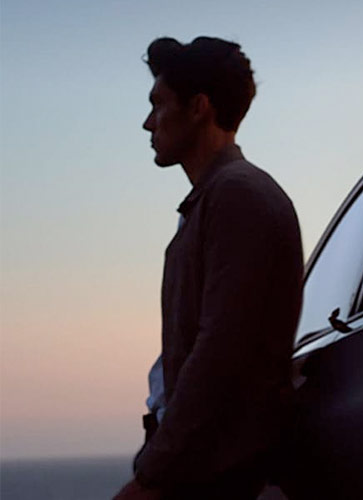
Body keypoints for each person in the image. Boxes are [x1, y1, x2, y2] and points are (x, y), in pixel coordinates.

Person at [114, 36, 303, 499]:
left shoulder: (236, 196)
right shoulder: (215, 200)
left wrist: (152, 475)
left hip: (215, 475)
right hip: (201, 466)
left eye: (158, 104)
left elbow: (220, 353)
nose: (147, 122)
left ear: (198, 107)